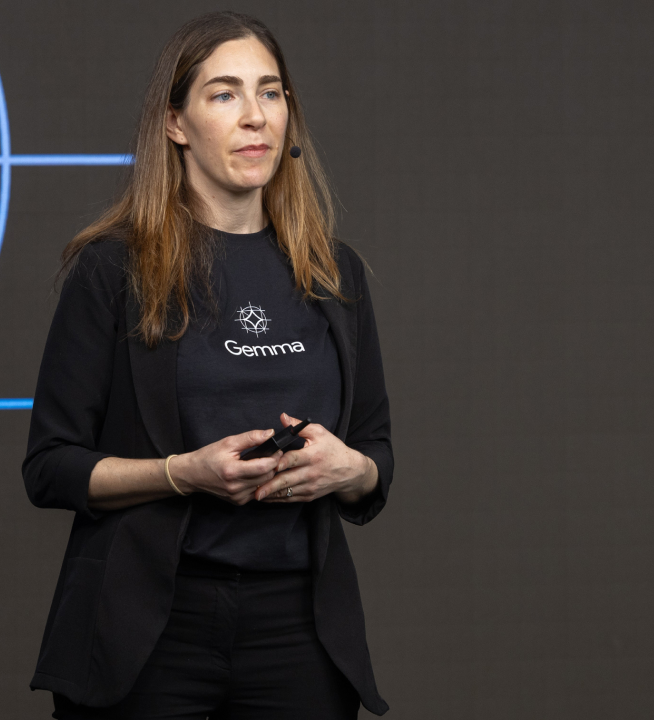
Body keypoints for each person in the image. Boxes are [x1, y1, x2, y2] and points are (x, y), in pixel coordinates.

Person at [22, 11, 392, 719]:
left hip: (299, 633)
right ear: (175, 123)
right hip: (148, 631)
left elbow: (377, 455)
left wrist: (348, 469)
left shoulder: (333, 272)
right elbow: (49, 468)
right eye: (225, 94)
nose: (255, 116)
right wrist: (181, 473)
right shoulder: (113, 270)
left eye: (270, 92)